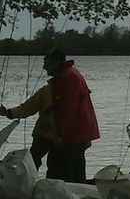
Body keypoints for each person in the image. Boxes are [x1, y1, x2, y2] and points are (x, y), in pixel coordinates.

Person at [0, 48, 100, 183]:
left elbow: (68, 110)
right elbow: (28, 107)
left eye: (45, 62)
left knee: (61, 171)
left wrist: (60, 136)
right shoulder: (58, 83)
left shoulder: (67, 79)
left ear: (54, 62)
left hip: (65, 137)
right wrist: (8, 113)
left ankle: (46, 194)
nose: (43, 67)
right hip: (57, 135)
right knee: (64, 168)